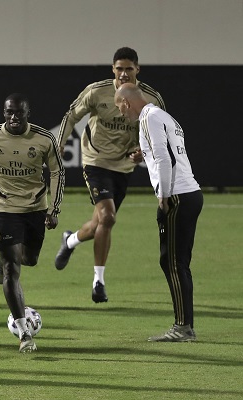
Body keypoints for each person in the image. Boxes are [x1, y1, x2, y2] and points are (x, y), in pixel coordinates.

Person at [54, 47, 166, 303]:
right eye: (119, 68)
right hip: (95, 161)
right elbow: (72, 115)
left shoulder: (151, 98)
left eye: (129, 68)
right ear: (112, 69)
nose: (124, 73)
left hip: (124, 166)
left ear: (137, 69)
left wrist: (143, 151)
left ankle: (70, 241)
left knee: (99, 224)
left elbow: (158, 132)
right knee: (108, 217)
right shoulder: (97, 91)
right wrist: (60, 141)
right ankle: (98, 282)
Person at [0, 93, 65, 352]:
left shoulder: (43, 139)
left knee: (28, 259)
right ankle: (24, 333)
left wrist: (54, 209)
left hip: (35, 208)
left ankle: (6, 258)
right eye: (9, 113)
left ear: (27, 113)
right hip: (4, 208)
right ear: (4, 113)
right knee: (11, 270)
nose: (14, 118)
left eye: (19, 113)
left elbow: (56, 171)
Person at [114, 83, 202, 342]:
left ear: (127, 103)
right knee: (177, 263)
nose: (120, 113)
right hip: (191, 193)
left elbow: (164, 159)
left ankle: (183, 328)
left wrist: (163, 198)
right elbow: (169, 152)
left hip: (177, 195)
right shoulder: (164, 116)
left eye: (119, 106)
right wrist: (145, 154)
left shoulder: (147, 119)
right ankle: (184, 324)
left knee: (173, 263)